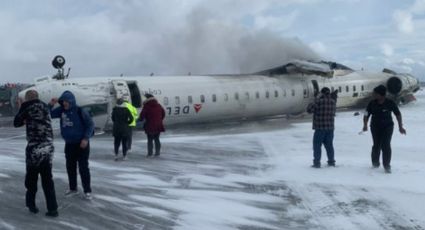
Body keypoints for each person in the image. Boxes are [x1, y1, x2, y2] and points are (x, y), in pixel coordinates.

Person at [14, 90, 59, 217]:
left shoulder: (27, 106)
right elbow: (46, 111)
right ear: (38, 97)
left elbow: (16, 123)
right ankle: (53, 209)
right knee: (47, 179)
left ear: (27, 99)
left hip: (34, 148)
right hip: (48, 147)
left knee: (31, 179)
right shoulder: (44, 106)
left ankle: (31, 205)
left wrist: (21, 107)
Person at [49, 90, 95, 199]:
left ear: (71, 101)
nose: (64, 103)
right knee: (70, 167)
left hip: (81, 144)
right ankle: (73, 188)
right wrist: (51, 104)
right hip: (69, 144)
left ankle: (87, 190)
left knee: (83, 168)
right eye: (63, 101)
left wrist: (85, 138)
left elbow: (90, 125)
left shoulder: (80, 111)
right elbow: (49, 114)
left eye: (66, 101)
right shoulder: (61, 111)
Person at [363, 85, 406, 173]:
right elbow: (366, 114)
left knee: (386, 145)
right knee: (376, 145)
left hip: (387, 127)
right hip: (375, 127)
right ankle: (375, 163)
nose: (373, 95)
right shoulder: (372, 103)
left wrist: (400, 127)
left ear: (381, 95)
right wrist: (365, 125)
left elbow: (397, 114)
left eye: (375, 93)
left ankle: (387, 166)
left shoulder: (390, 103)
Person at [307, 87, 337, 168]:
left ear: (322, 93)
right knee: (329, 146)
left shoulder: (318, 101)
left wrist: (316, 98)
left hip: (320, 128)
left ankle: (317, 163)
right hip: (330, 128)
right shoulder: (333, 102)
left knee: (317, 146)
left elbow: (309, 110)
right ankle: (331, 162)